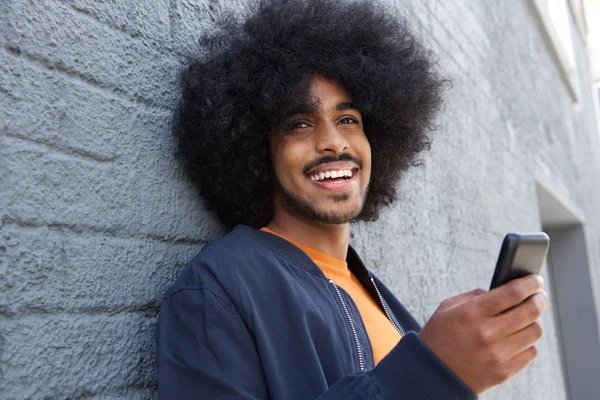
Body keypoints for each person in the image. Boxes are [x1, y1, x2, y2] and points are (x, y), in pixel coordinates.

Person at [156, 0, 548, 398]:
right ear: (258, 153)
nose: (333, 142)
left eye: (348, 120)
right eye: (299, 124)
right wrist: (432, 371)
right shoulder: (218, 288)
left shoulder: (376, 295)